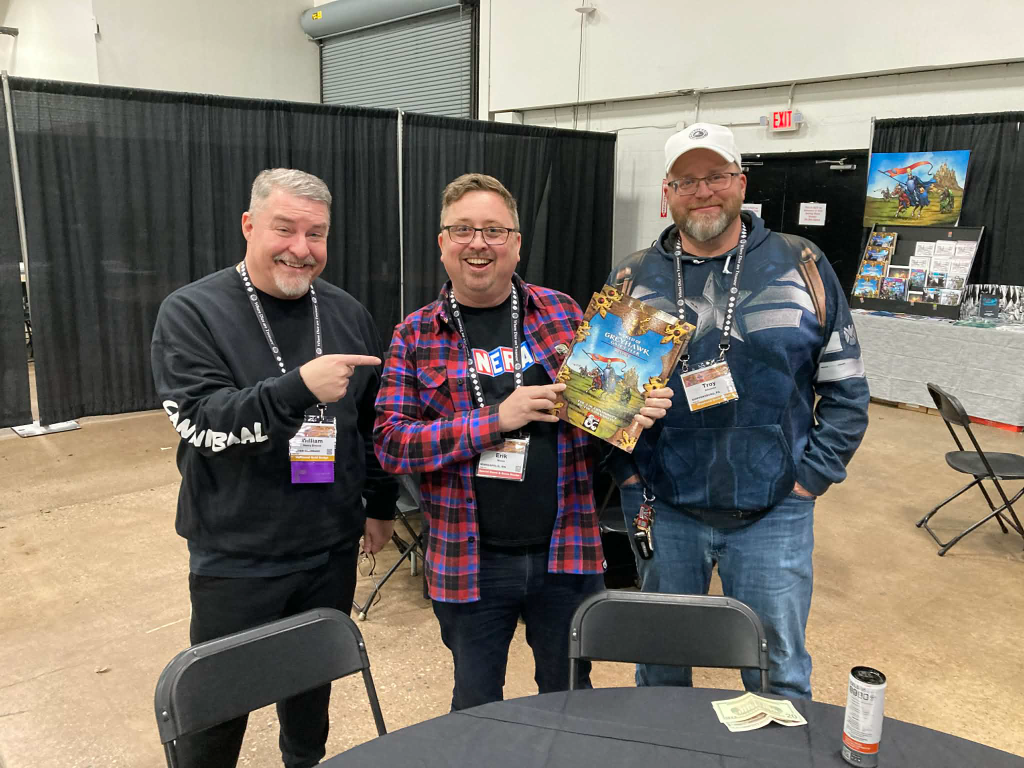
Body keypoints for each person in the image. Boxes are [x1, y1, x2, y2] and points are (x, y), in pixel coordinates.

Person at [373, 173, 673, 710]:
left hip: (567, 553)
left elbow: (599, 419)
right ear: (442, 243)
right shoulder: (414, 333)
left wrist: (633, 409)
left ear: (516, 243)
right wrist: (494, 420)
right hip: (470, 561)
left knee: (570, 700)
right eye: (463, 230)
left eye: (494, 230)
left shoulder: (564, 312)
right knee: (476, 705)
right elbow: (392, 444)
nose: (478, 243)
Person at [606, 124, 869, 699]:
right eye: (686, 180)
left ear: (741, 183)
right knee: (659, 669)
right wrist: (626, 476)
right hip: (663, 506)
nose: (703, 191)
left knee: (777, 673)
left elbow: (847, 387)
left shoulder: (802, 262)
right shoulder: (631, 277)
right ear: (666, 193)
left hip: (776, 510)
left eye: (717, 176)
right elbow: (601, 396)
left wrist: (810, 480)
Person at [151, 168, 398, 768]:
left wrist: (379, 502)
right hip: (238, 554)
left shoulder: (344, 312)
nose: (300, 248)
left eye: (316, 234)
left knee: (309, 696)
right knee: (216, 712)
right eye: (285, 229)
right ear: (249, 225)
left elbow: (369, 421)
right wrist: (296, 390)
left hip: (328, 547)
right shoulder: (192, 312)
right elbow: (201, 422)